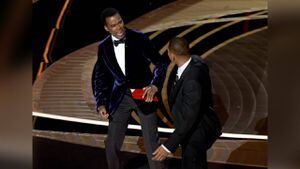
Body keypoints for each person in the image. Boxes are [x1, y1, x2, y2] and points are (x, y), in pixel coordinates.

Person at [93, 7, 167, 169]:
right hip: (120, 97)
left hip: (143, 94)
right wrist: (101, 103)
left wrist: (155, 85)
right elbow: (100, 76)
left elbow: (161, 63)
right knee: (111, 142)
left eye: (120, 22)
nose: (119, 28)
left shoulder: (139, 38)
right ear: (106, 28)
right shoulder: (103, 47)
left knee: (151, 144)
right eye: (113, 25)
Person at [152, 37, 222, 169]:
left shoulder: (191, 82)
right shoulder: (197, 62)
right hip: (195, 127)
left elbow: (189, 118)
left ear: (172, 55)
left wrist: (168, 146)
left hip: (194, 134)